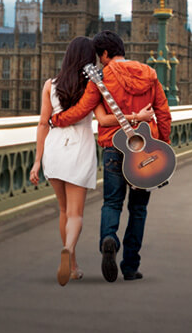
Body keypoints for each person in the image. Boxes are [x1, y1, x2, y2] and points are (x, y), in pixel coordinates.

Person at [30, 36, 154, 287]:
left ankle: (72, 263)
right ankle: (68, 250)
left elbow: (43, 123)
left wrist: (36, 161)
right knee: (76, 214)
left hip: (53, 149)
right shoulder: (94, 85)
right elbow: (106, 120)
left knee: (63, 211)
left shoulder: (49, 85)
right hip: (78, 150)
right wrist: (136, 117)